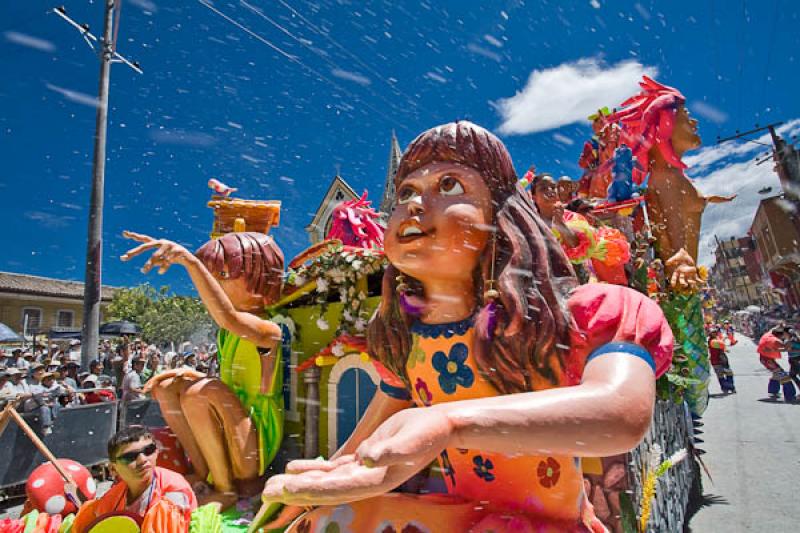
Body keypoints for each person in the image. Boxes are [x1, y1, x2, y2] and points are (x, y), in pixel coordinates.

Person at [261, 121, 672, 532]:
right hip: (460, 516)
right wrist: (322, 486)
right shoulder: (407, 340)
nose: (416, 204)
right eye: (405, 192)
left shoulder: (571, 317)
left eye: (450, 185)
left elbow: (621, 413)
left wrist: (449, 423)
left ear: (501, 213)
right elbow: (364, 455)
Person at [121, 229, 286, 508]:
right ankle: (204, 471)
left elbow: (228, 318)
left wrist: (190, 263)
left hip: (256, 440)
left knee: (201, 391)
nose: (213, 285)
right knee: (167, 386)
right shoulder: (227, 335)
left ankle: (226, 489)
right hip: (233, 425)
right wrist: (187, 374)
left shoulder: (268, 329)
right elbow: (231, 384)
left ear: (259, 276)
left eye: (222, 275)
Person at [72, 426, 197, 532]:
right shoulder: (115, 495)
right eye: (130, 457)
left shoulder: (172, 488)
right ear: (113, 469)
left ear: (157, 451)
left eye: (148, 450)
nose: (142, 460)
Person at [531, 173, 630, 285]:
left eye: (553, 187)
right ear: (533, 197)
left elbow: (578, 248)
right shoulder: (529, 222)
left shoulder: (573, 218)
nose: (550, 190)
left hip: (573, 281)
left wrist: (560, 225)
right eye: (543, 188)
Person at [757, 325, 796, 402]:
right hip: (767, 360)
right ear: (779, 335)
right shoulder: (775, 341)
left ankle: (773, 391)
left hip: (765, 358)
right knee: (783, 375)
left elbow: (773, 328)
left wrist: (780, 325)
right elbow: (786, 347)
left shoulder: (769, 334)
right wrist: (791, 340)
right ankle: (790, 395)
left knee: (776, 374)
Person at [708, 329, 735, 394]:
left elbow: (722, 346)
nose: (714, 333)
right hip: (716, 361)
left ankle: (728, 387)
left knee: (729, 373)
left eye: (715, 332)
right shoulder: (711, 341)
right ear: (710, 334)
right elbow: (720, 345)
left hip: (722, 360)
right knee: (720, 375)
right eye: (713, 332)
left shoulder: (717, 339)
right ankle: (729, 387)